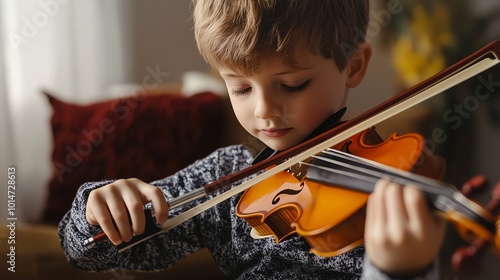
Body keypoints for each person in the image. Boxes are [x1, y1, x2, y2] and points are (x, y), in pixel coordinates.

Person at [59, 0, 446, 279]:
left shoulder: (385, 182)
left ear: (354, 65)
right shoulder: (228, 176)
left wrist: (396, 271)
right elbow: (91, 254)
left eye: (292, 85)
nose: (263, 110)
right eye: (241, 88)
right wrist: (98, 210)